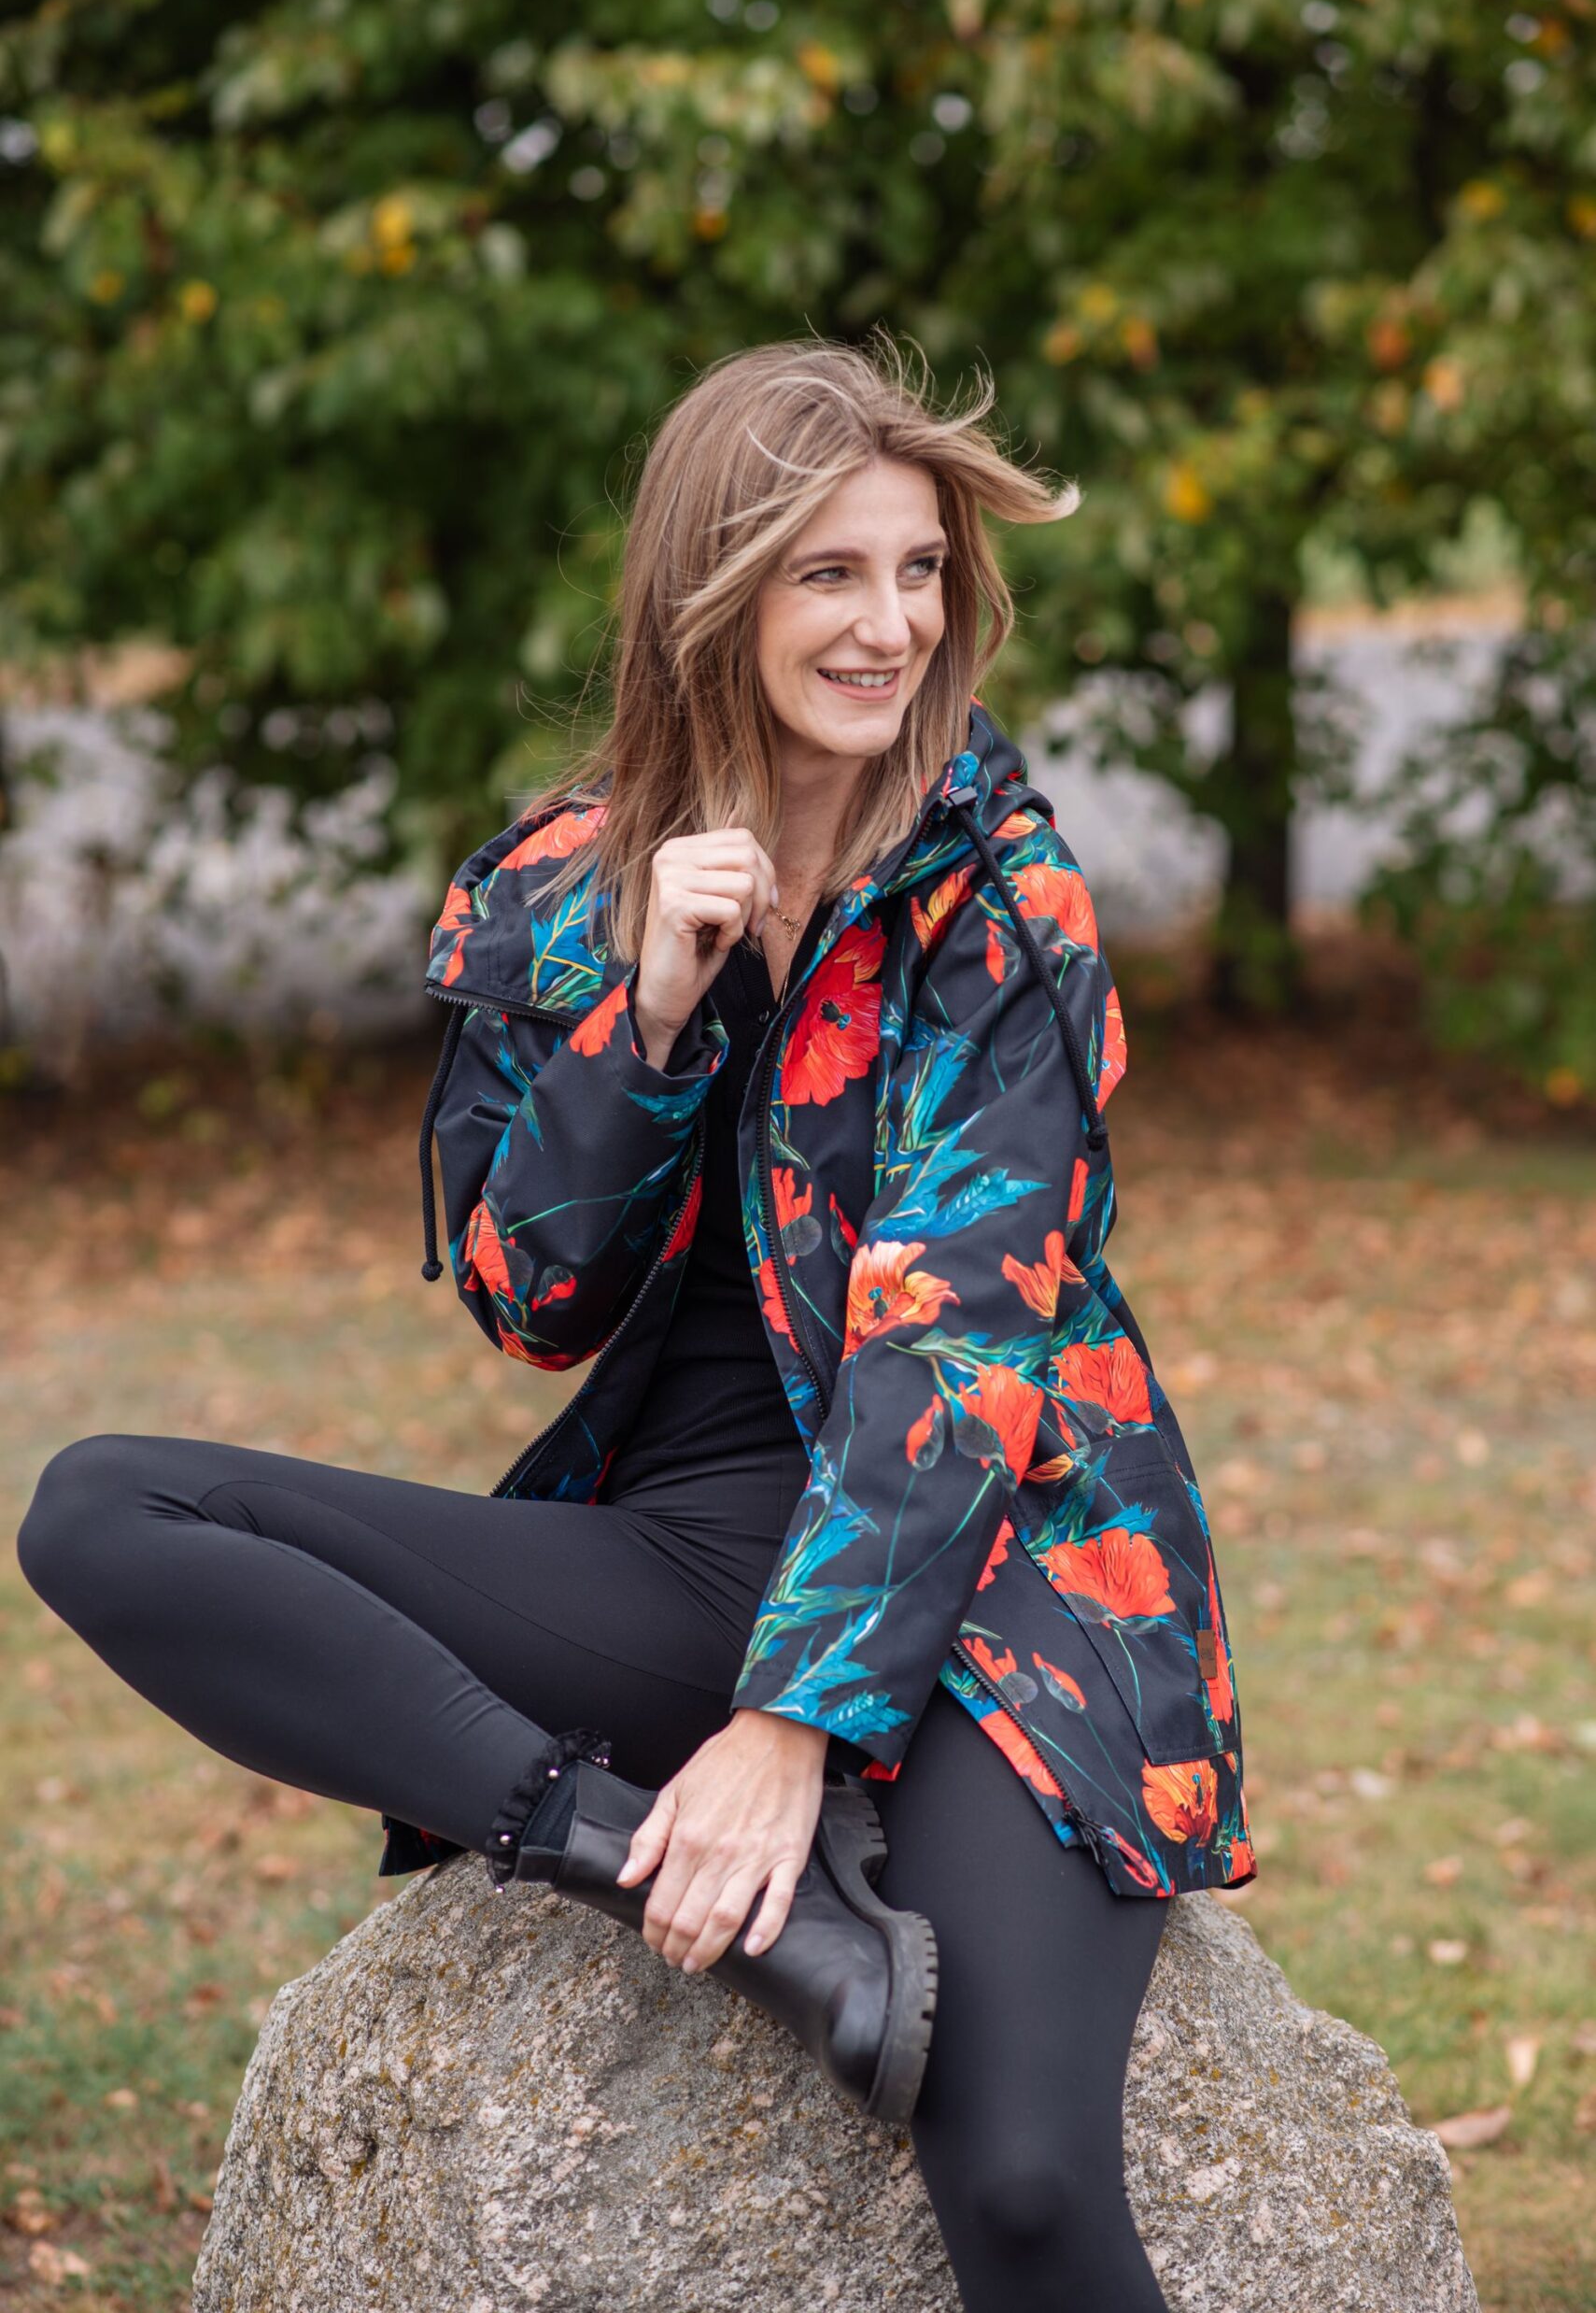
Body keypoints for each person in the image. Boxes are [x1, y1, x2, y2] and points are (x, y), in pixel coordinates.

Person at [17, 331, 1257, 2311]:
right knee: (103, 1507)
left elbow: (955, 1343)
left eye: (918, 571)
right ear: (714, 591)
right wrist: (649, 1019)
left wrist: (788, 1726)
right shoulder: (560, 883)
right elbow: (532, 1298)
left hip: (1003, 1570)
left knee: (1021, 2177)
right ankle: (640, 1865)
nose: (890, 625)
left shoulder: (997, 896)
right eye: (828, 573)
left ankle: (796, 1815)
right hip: (678, 1552)